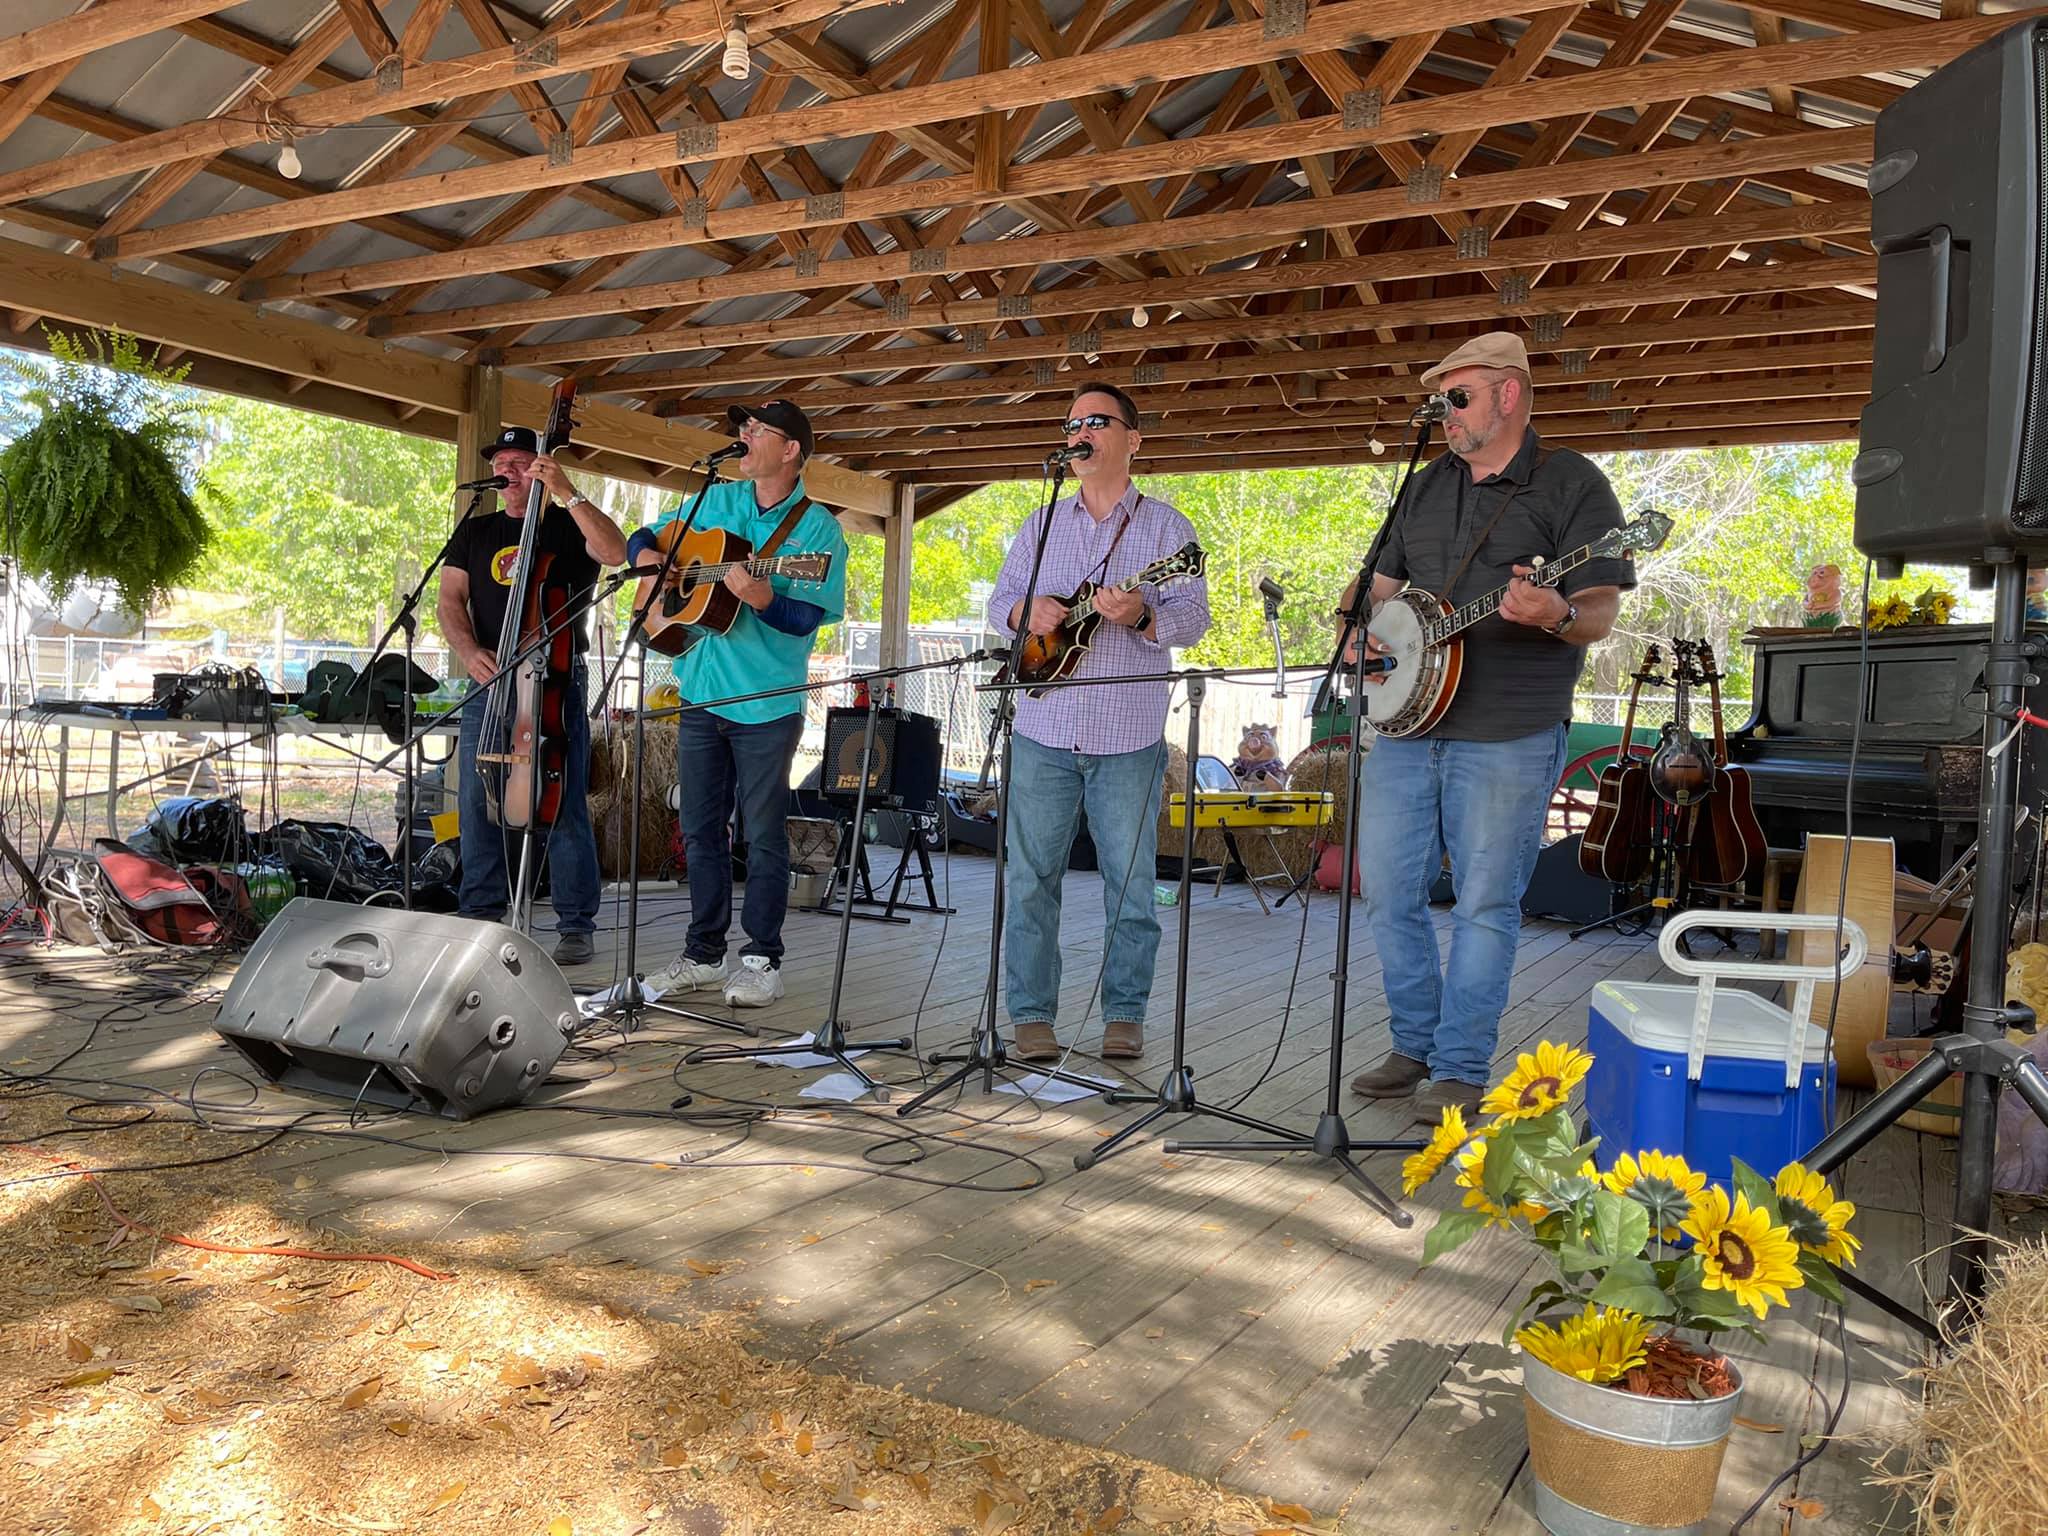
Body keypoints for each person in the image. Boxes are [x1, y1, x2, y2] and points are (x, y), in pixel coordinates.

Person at [1341, 331, 1634, 1121]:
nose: (1444, 412)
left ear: (1508, 394)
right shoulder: (1425, 484)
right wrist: (1360, 630)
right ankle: (1413, 1043)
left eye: (1458, 396)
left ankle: (1460, 1066)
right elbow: (1376, 586)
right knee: (1388, 892)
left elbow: (1598, 609)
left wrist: (1554, 612)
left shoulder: (1571, 483)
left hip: (1509, 728)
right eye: (1438, 400)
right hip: (1406, 724)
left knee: (1482, 905)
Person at [987, 383, 1211, 1062]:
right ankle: (1031, 1016)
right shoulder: (1041, 523)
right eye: (1073, 423)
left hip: (1127, 734)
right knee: (1031, 881)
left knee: (1131, 885)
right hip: (1043, 726)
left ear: (1132, 440)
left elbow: (1193, 618)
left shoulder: (1167, 529)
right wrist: (1028, 612)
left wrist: (1141, 614)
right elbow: (1000, 605)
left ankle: (1124, 1014)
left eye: (1097, 421)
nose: (1080, 432)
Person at [639, 399, 847, 1009]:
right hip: (701, 693)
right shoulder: (718, 499)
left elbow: (808, 616)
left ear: (791, 449)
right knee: (699, 829)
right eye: (744, 428)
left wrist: (763, 598)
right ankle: (704, 954)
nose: (744, 436)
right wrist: (651, 560)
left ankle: (761, 960)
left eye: (758, 430)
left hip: (766, 703)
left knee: (762, 834)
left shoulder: (817, 531)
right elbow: (644, 537)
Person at [437, 426, 628, 967]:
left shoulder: (567, 525)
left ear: (541, 469)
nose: (508, 472)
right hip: (488, 681)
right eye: (501, 463)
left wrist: (568, 491)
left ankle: (575, 922)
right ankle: (480, 913)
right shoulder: (476, 530)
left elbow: (614, 552)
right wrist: (469, 651)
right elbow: (450, 599)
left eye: (520, 462)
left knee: (561, 796)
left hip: (555, 680)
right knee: (477, 795)